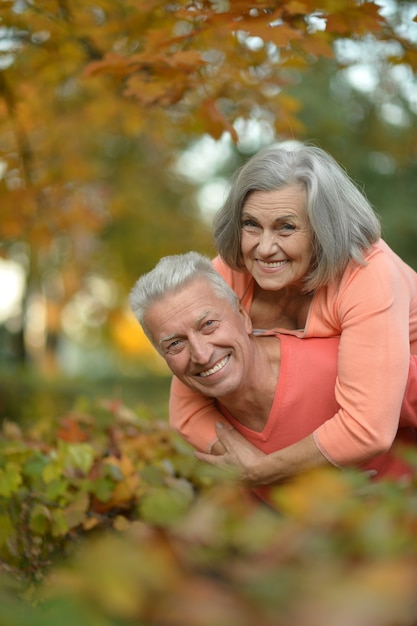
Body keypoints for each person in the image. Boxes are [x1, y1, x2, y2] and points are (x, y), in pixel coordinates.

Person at [168, 141, 417, 486]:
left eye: (286, 227)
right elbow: (187, 406)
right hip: (313, 447)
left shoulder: (368, 273)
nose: (265, 248)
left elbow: (368, 429)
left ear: (323, 230)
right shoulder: (229, 274)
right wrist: (258, 468)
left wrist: (264, 472)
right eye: (251, 225)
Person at [129, 252, 417, 498]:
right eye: (175, 344)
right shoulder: (207, 424)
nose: (202, 354)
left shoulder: (344, 366)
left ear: (242, 316)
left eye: (208, 325)